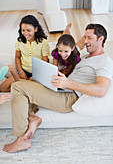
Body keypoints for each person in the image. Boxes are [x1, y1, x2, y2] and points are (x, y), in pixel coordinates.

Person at [3, 23, 113, 153]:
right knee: (24, 83)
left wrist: (68, 83)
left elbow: (101, 90)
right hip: (62, 89)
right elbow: (72, 42)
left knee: (17, 87)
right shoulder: (85, 56)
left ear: (100, 39)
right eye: (85, 37)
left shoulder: (104, 61)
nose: (85, 41)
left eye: (89, 38)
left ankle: (22, 139)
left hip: (70, 97)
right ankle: (32, 116)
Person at [15, 15, 50, 79]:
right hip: (23, 71)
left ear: (36, 29)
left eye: (28, 30)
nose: (25, 33)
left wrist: (35, 76)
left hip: (38, 73)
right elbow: (17, 57)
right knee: (4, 87)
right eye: (23, 30)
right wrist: (20, 72)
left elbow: (45, 62)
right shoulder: (19, 41)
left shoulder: (43, 42)